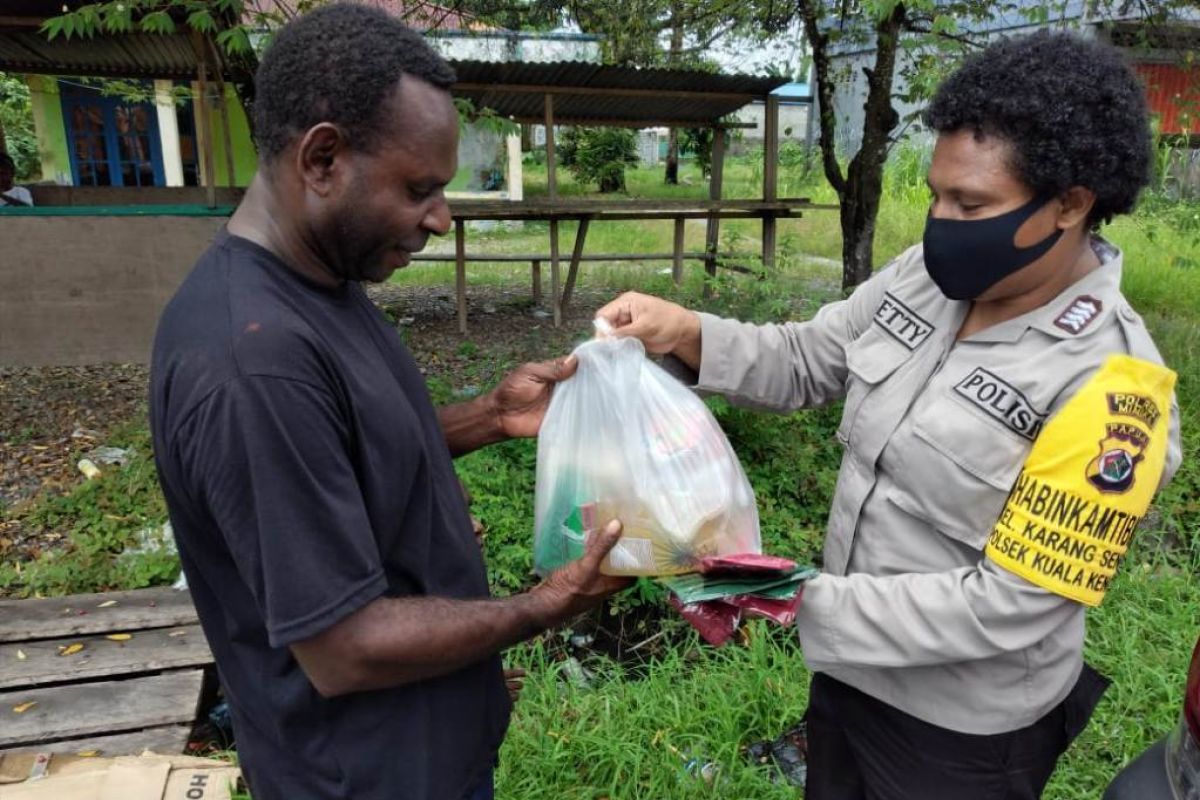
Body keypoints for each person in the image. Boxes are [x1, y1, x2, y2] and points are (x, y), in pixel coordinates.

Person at [597, 31, 1182, 799]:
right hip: (848, 669)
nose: (940, 222)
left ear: (1070, 204)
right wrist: (688, 333)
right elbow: (808, 359)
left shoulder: (1115, 397)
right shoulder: (923, 279)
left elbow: (1014, 604)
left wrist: (797, 599)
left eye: (971, 203)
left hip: (962, 728)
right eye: (937, 193)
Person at [149, 6, 629, 800]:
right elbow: (346, 648)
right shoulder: (252, 360)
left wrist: (490, 417)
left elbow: (336, 452)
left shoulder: (318, 283)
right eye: (419, 189)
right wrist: (545, 605)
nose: (440, 218)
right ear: (324, 158)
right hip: (364, 779)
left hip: (422, 757)